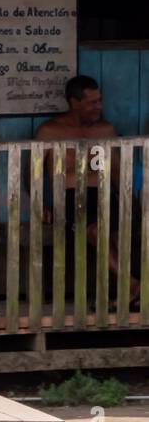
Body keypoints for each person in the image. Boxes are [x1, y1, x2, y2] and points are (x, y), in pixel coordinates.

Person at [36, 75, 139, 302]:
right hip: (71, 197)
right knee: (93, 230)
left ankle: (127, 293)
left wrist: (130, 200)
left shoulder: (105, 129)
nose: (99, 107)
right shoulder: (49, 131)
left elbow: (116, 169)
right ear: (74, 103)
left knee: (117, 233)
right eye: (93, 102)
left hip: (104, 195)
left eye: (100, 100)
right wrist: (39, 204)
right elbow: (32, 173)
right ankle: (134, 286)